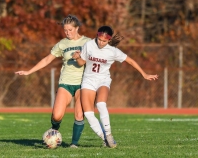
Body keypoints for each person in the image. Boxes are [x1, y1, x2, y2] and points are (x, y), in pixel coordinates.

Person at [72, 25, 158, 148]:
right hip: (88, 80)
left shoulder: (113, 51)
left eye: (104, 41)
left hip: (103, 80)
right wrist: (77, 58)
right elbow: (82, 62)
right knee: (89, 114)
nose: (101, 43)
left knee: (101, 104)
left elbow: (131, 61)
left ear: (109, 40)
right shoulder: (89, 45)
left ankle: (109, 134)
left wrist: (144, 74)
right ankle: (105, 139)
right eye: (99, 39)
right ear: (97, 36)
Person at [15, 15, 91, 148]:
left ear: (77, 28)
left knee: (79, 114)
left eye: (70, 30)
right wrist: (29, 71)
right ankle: (54, 130)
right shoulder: (62, 44)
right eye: (65, 30)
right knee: (56, 116)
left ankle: (74, 144)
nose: (67, 33)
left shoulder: (88, 42)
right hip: (66, 82)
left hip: (83, 84)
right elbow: (46, 60)